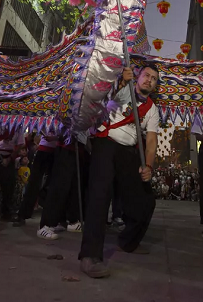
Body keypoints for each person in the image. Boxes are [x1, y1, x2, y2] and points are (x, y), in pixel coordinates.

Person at [79, 65, 159, 279]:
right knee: (100, 196)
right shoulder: (124, 87)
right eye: (146, 75)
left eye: (154, 78)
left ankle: (128, 242)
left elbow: (151, 142)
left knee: (145, 200)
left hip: (129, 152)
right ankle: (90, 255)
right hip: (106, 144)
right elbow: (104, 97)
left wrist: (148, 166)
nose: (149, 80)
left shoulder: (152, 109)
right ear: (138, 76)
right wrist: (121, 82)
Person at [13, 132, 57, 226]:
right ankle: (22, 214)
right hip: (43, 148)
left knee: (53, 184)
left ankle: (48, 210)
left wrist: (56, 138)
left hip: (57, 150)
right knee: (33, 183)